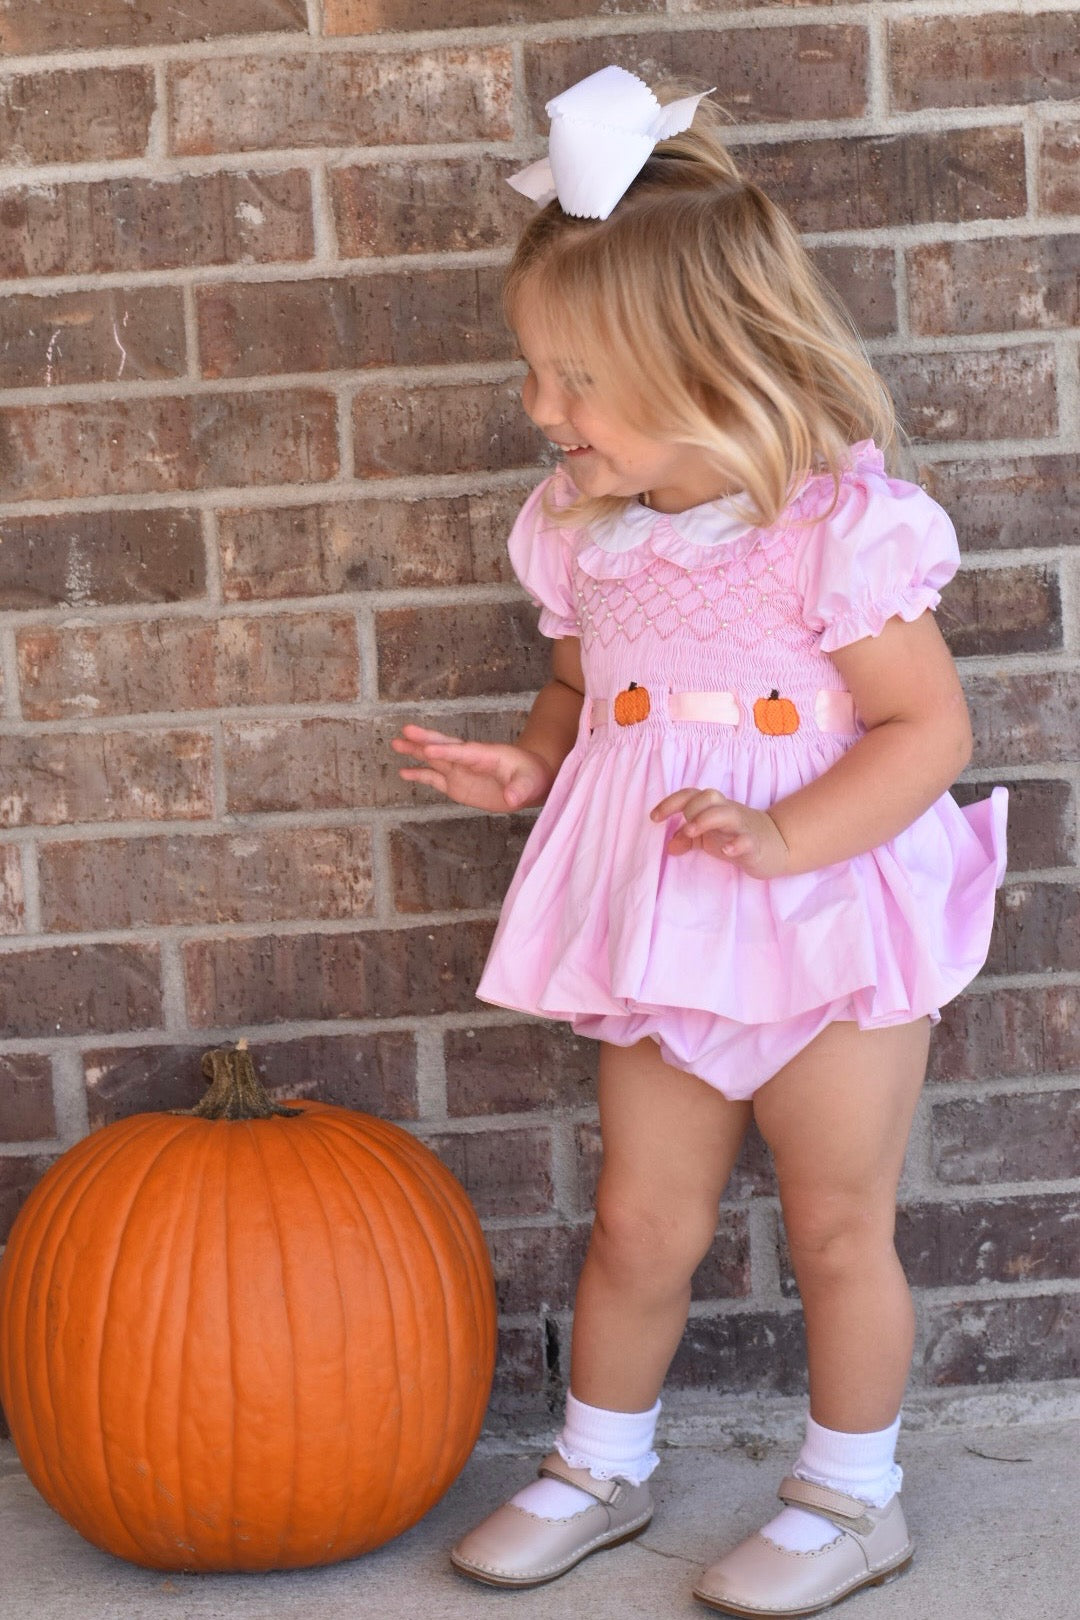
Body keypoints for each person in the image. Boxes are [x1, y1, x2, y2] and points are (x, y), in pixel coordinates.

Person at [391, 65, 1006, 1618]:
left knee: (839, 1224)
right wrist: (532, 763)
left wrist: (789, 832)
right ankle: (604, 1461)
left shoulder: (832, 531)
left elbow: (930, 734)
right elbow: (576, 680)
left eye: (574, 380)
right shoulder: (587, 532)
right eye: (536, 373)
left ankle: (850, 1497)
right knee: (639, 1222)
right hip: (668, 929)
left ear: (705, 362)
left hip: (826, 926)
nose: (543, 412)